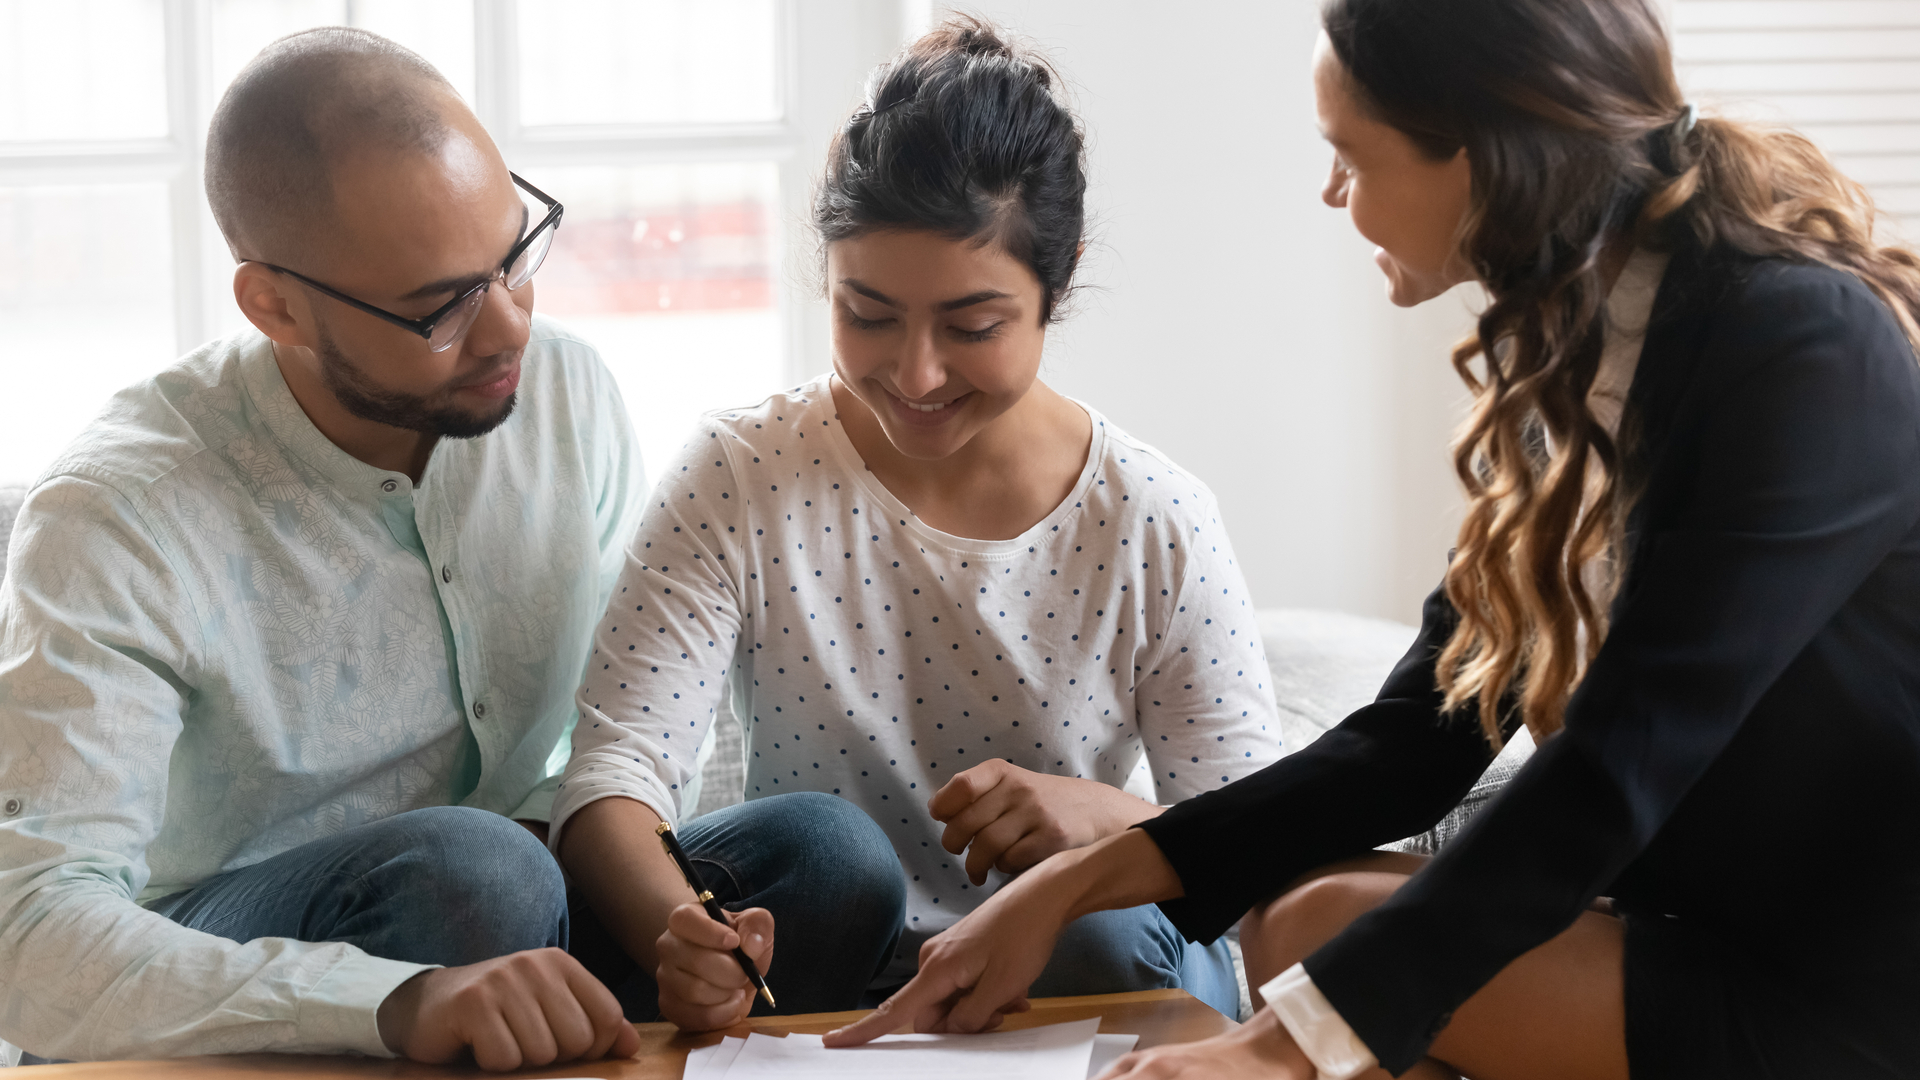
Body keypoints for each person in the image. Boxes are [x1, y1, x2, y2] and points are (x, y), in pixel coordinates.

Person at [824, 1, 1920, 1078]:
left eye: (1350, 153)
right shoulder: (1572, 360)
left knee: (1315, 960)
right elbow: (1412, 742)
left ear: (1483, 158)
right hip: (1690, 921)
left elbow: (1621, 759)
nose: (1331, 190)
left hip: (1841, 991)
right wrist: (1064, 888)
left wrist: (1272, 1050)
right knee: (1297, 915)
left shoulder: (1802, 346)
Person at [551, 18, 1280, 1031]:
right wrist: (681, 927)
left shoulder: (1156, 521)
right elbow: (614, 772)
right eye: (870, 315)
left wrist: (1105, 822)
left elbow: (1269, 846)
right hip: (822, 961)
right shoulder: (742, 471)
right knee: (829, 853)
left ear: (1055, 280)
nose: (917, 373)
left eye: (972, 327)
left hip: (1068, 971)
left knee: (1096, 924)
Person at [0, 29, 644, 1070]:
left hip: (511, 912)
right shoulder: (119, 514)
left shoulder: (566, 393)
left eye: (516, 254)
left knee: (819, 860)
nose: (512, 329)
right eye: (441, 306)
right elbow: (25, 941)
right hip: (229, 963)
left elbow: (609, 733)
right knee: (476, 875)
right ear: (276, 306)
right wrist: (393, 1004)